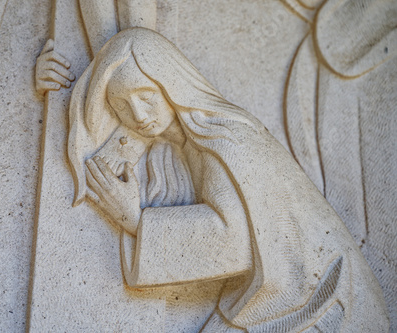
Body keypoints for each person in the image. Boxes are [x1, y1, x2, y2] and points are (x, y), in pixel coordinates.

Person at [47, 28, 389, 332]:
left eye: (146, 96)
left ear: (172, 84)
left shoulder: (224, 140)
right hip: (272, 300)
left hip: (324, 304)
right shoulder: (173, 149)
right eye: (120, 105)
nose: (138, 115)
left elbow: (233, 243)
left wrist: (135, 220)